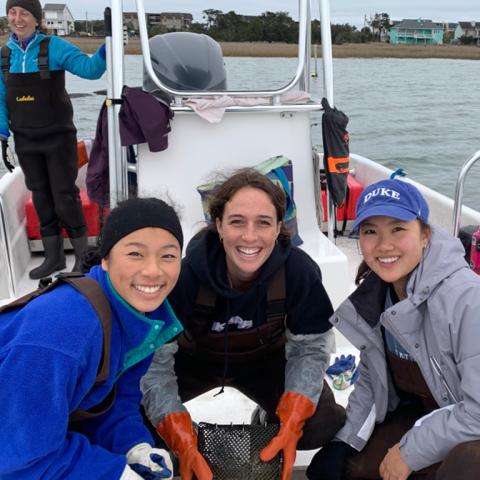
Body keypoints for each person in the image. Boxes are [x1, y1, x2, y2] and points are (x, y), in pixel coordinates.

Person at [141, 169, 346, 480]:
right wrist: (177, 429)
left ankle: (269, 419)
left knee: (321, 423)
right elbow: (156, 360)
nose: (250, 236)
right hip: (195, 363)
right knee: (130, 413)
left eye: (263, 222)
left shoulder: (299, 272)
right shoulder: (184, 276)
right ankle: (189, 446)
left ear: (279, 227)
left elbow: (310, 349)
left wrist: (292, 417)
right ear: (219, 225)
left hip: (264, 365)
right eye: (237, 221)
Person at [0, 197, 185, 480]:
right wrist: (112, 472)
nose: (152, 271)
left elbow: (111, 401)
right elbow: (18, 458)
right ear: (105, 259)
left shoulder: (143, 316)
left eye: (168, 256)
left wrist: (133, 445)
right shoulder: (64, 333)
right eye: (135, 254)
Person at [307, 179, 480, 480]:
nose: (384, 245)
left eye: (398, 229)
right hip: (424, 413)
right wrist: (343, 443)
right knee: (352, 469)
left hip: (469, 423)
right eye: (370, 231)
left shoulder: (467, 300)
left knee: (464, 466)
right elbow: (375, 379)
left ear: (425, 234)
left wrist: (411, 452)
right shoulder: (378, 295)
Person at [0, 0, 107, 279]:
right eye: (12, 12)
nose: (17, 18)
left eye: (24, 13)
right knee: (41, 199)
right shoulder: (4, 55)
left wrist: (109, 44)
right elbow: (1, 100)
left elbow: (91, 70)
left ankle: (83, 259)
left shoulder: (54, 47)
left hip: (58, 139)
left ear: (36, 19)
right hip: (25, 140)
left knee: (64, 198)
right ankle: (54, 258)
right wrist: (2, 132)